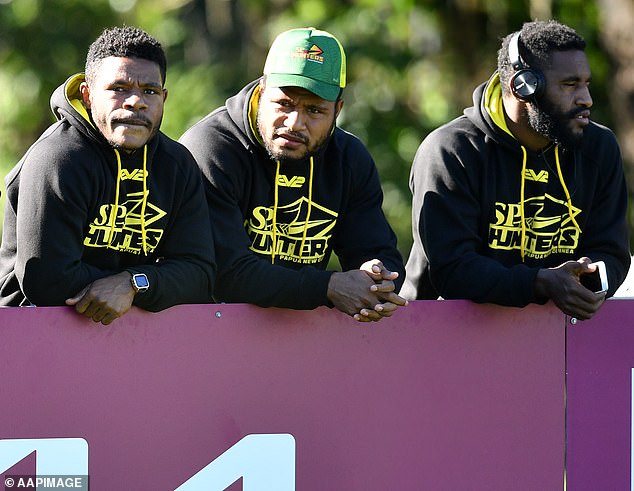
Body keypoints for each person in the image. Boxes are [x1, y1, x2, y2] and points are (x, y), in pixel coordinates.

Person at [401, 20, 630, 320]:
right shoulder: (450, 151)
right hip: (444, 334)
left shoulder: (598, 147)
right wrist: (541, 282)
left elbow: (611, 252)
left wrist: (592, 279)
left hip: (552, 335)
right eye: (570, 84)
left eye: (586, 84)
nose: (586, 98)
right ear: (524, 87)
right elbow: (454, 271)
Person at [180, 27, 406, 322]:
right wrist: (328, 286)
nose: (295, 122)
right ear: (262, 93)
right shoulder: (212, 149)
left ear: (338, 109)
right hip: (205, 332)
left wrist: (378, 279)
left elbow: (377, 250)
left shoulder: (350, 159)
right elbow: (227, 274)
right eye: (284, 104)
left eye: (314, 110)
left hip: (302, 336)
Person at [0, 26, 216, 325]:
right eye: (119, 88)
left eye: (149, 91)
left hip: (127, 337)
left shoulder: (177, 165)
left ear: (163, 99)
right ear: (87, 95)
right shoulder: (58, 159)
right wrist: (153, 283)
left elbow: (200, 274)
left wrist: (132, 283)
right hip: (33, 333)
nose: (135, 101)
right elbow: (47, 280)